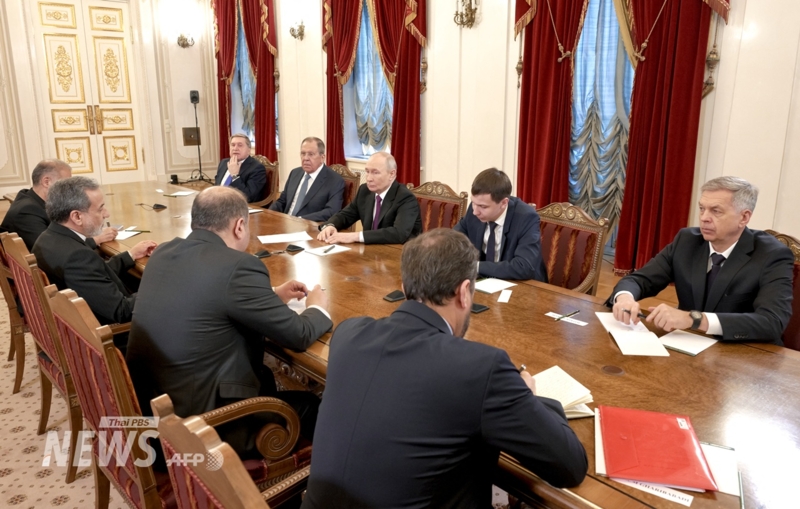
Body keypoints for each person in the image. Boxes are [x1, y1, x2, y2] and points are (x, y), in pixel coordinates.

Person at [302, 228, 587, 508]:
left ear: (403, 288)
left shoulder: (348, 333)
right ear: (464, 293)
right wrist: (529, 397)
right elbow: (570, 466)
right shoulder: (482, 369)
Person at [126, 186, 332, 458]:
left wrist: (271, 295)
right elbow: (298, 334)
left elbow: (204, 293)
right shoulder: (239, 265)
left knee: (266, 376)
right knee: (311, 404)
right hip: (203, 427)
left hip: (151, 409)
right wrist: (317, 307)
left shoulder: (164, 252)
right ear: (239, 226)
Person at [608, 176, 794, 345]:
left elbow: (772, 322)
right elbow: (639, 280)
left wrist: (694, 319)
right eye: (702, 209)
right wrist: (624, 298)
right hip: (685, 344)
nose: (704, 218)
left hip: (745, 353)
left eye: (716, 211)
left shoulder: (772, 255)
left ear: (744, 217)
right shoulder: (687, 240)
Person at [32, 177, 156, 351]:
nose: (106, 214)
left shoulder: (47, 239)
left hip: (78, 325)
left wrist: (130, 255)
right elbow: (122, 312)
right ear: (77, 217)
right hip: (112, 341)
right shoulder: (77, 257)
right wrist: (161, 282)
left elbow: (94, 277)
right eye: (100, 208)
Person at [0, 159, 116, 250]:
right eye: (65, 183)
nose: (69, 188)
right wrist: (96, 239)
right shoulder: (26, 211)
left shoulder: (32, 199)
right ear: (46, 182)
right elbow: (50, 249)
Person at [454, 168, 547, 281]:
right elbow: (453, 239)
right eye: (473, 203)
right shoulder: (475, 209)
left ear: (503, 203)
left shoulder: (526, 217)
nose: (475, 212)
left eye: (483, 207)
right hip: (484, 281)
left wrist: (475, 266)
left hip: (521, 284)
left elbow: (524, 266)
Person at [316, 152, 421, 244]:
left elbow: (398, 234)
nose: (369, 178)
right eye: (367, 171)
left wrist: (355, 236)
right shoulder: (365, 191)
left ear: (391, 174)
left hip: (398, 254)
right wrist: (331, 225)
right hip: (370, 252)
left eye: (375, 172)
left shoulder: (405, 198)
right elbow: (346, 215)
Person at [269, 137, 345, 221]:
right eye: (303, 153)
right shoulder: (295, 173)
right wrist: (268, 213)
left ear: (322, 157)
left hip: (309, 225)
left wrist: (300, 220)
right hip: (285, 222)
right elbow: (282, 201)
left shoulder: (334, 180)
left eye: (311, 154)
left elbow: (331, 211)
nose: (305, 158)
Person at [214, 133, 266, 203]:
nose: (235, 148)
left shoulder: (257, 168)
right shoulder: (223, 163)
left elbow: (248, 196)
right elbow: (217, 186)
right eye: (233, 145)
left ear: (248, 150)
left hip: (237, 205)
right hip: (217, 202)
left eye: (240, 145)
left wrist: (235, 175)